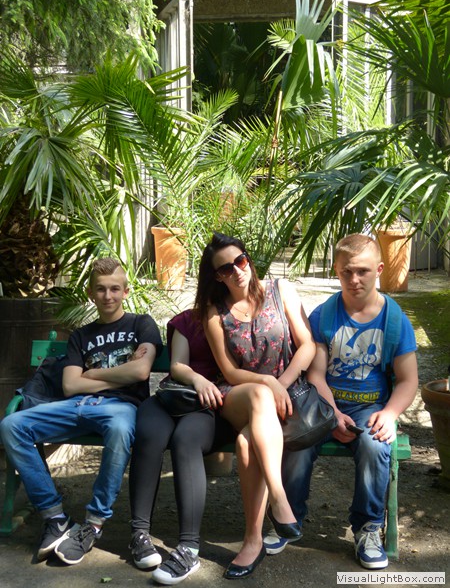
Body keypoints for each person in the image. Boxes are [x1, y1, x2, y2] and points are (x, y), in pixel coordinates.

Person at [265, 234, 418, 569]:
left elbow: (408, 380)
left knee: (375, 445)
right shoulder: (325, 316)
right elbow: (317, 374)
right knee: (298, 442)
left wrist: (390, 414)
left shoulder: (394, 320)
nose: (354, 279)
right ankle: (288, 518)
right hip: (323, 404)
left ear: (379, 270)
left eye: (363, 271)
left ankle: (368, 527)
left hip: (370, 408)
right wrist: (332, 414)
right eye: (347, 271)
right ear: (336, 270)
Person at [0, 257, 162, 565]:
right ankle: (55, 517)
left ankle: (94, 523)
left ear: (126, 291)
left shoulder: (141, 324)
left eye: (115, 289)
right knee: (12, 425)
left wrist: (93, 374)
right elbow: (70, 385)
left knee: (119, 430)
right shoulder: (80, 335)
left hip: (120, 407)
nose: (108, 296)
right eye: (100, 289)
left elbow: (141, 372)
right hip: (75, 405)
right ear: (90, 293)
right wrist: (121, 373)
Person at [195, 232, 316, 579]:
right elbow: (230, 372)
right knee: (260, 396)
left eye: (240, 260)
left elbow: (307, 345)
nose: (237, 271)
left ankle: (252, 540)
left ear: (248, 259)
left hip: (285, 394)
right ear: (217, 276)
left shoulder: (280, 290)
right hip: (239, 394)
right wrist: (268, 384)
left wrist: (282, 384)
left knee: (247, 443)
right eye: (226, 269)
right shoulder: (214, 313)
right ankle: (280, 497)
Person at [128, 308, 235, 585]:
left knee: (185, 439)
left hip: (213, 404)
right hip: (176, 394)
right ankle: (139, 533)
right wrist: (198, 379)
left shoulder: (242, 321)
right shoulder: (188, 320)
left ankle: (189, 547)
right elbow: (177, 365)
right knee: (149, 432)